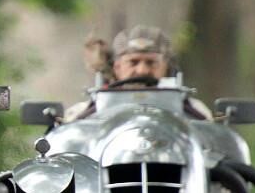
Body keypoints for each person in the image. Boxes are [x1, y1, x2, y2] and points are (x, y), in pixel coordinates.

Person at [65, 24, 210, 122]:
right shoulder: (81, 114)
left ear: (166, 67)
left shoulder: (195, 111)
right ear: (117, 66)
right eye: (133, 62)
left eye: (151, 62)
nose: (142, 70)